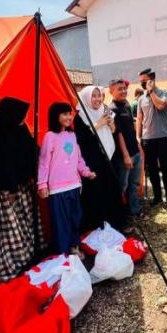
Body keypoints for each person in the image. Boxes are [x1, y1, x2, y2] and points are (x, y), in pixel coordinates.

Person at [0, 97, 44, 284]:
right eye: (21, 115)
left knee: (26, 224)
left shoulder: (20, 129)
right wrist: (7, 187)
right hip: (5, 191)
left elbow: (31, 150)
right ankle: (14, 264)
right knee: (11, 229)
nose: (24, 119)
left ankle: (30, 255)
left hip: (23, 185)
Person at [38, 102, 96, 258]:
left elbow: (78, 159)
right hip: (57, 189)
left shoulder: (72, 135)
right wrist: (42, 183)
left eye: (69, 114)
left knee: (75, 218)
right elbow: (44, 162)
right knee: (60, 222)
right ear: (55, 116)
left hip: (74, 186)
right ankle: (63, 254)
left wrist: (86, 172)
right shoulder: (50, 136)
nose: (69, 117)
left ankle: (74, 246)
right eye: (64, 114)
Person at [74, 85, 127, 231]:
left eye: (99, 96)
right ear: (87, 98)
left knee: (112, 190)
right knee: (96, 192)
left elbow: (114, 133)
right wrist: (99, 124)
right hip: (92, 161)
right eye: (94, 96)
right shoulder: (81, 115)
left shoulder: (106, 110)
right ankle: (96, 224)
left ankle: (115, 222)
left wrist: (111, 126)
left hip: (109, 158)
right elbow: (81, 139)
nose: (98, 99)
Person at [137, 68, 167, 208]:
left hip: (162, 138)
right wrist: (138, 136)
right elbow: (139, 118)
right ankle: (158, 197)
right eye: (141, 82)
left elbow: (160, 106)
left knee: (165, 169)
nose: (143, 84)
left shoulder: (164, 93)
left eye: (145, 81)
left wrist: (151, 91)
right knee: (152, 170)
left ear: (152, 80)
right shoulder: (141, 99)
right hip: (148, 139)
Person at [108, 79, 142, 217]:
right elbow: (118, 134)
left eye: (124, 88)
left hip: (135, 152)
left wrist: (138, 145)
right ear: (111, 91)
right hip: (123, 156)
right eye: (119, 89)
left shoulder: (126, 105)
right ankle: (118, 216)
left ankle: (134, 210)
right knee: (122, 186)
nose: (123, 91)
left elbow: (130, 129)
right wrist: (126, 155)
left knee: (134, 184)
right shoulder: (112, 109)